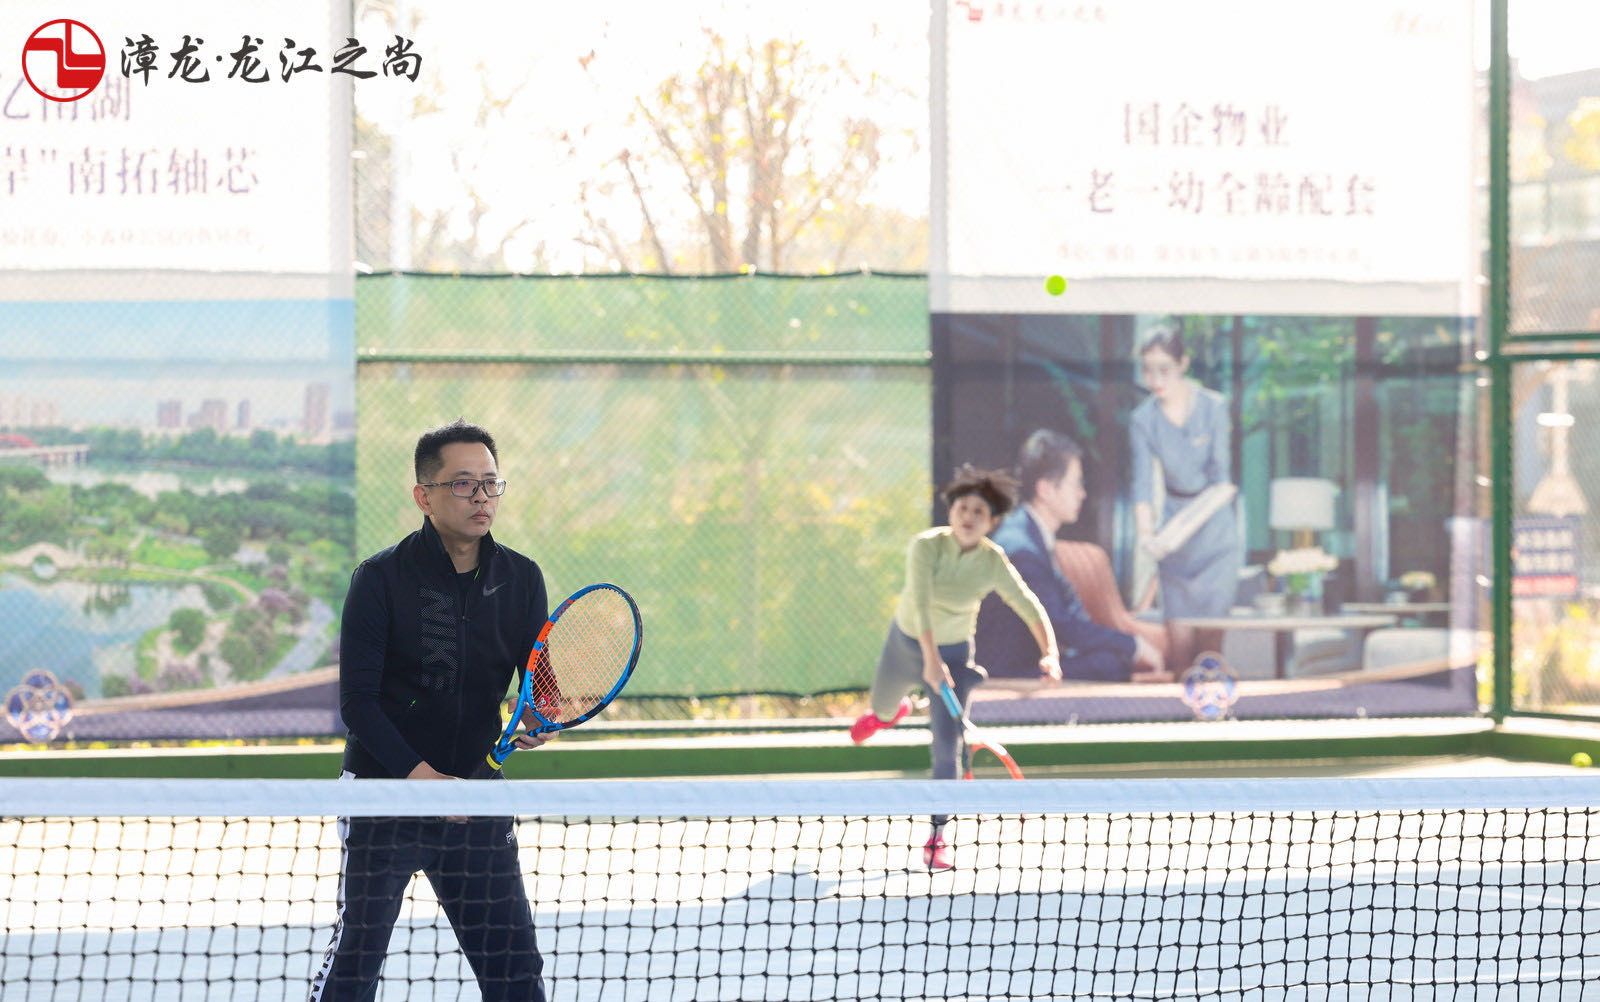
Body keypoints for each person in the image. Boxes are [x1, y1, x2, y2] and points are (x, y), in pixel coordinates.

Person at [310, 419, 549, 1002]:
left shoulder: (522, 578)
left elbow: (537, 683)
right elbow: (358, 704)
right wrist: (423, 781)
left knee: (516, 972)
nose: (481, 497)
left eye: (491, 483)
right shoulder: (378, 578)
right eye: (464, 483)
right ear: (424, 496)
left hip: (477, 799)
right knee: (354, 969)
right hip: (382, 799)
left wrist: (540, 714)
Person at [849, 465, 1060, 871]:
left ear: (991, 522)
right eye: (963, 508)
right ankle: (890, 714)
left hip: (957, 654)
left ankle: (936, 836)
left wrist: (1049, 652)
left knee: (948, 749)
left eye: (979, 512)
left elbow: (1026, 603)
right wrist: (930, 661)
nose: (969, 516)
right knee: (883, 708)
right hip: (906, 644)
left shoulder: (993, 561)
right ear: (951, 513)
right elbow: (920, 602)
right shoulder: (925, 547)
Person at [982, 429, 1165, 682]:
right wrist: (1133, 645)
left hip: (1030, 662)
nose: (1083, 494)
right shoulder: (1022, 549)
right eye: (1077, 483)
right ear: (1046, 489)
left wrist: (1126, 643)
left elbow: (1068, 615)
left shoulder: (1027, 533)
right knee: (1109, 665)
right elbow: (1059, 625)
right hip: (1007, 674)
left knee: (1110, 658)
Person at [1129, 325, 1240, 673]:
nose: (1155, 379)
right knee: (1179, 652)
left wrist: (1179, 530)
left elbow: (1221, 482)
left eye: (1164, 369)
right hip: (1175, 544)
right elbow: (1142, 484)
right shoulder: (1143, 419)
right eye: (1147, 370)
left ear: (1183, 364)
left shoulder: (1213, 407)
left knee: (1210, 652)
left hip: (1214, 535)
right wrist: (1147, 536)